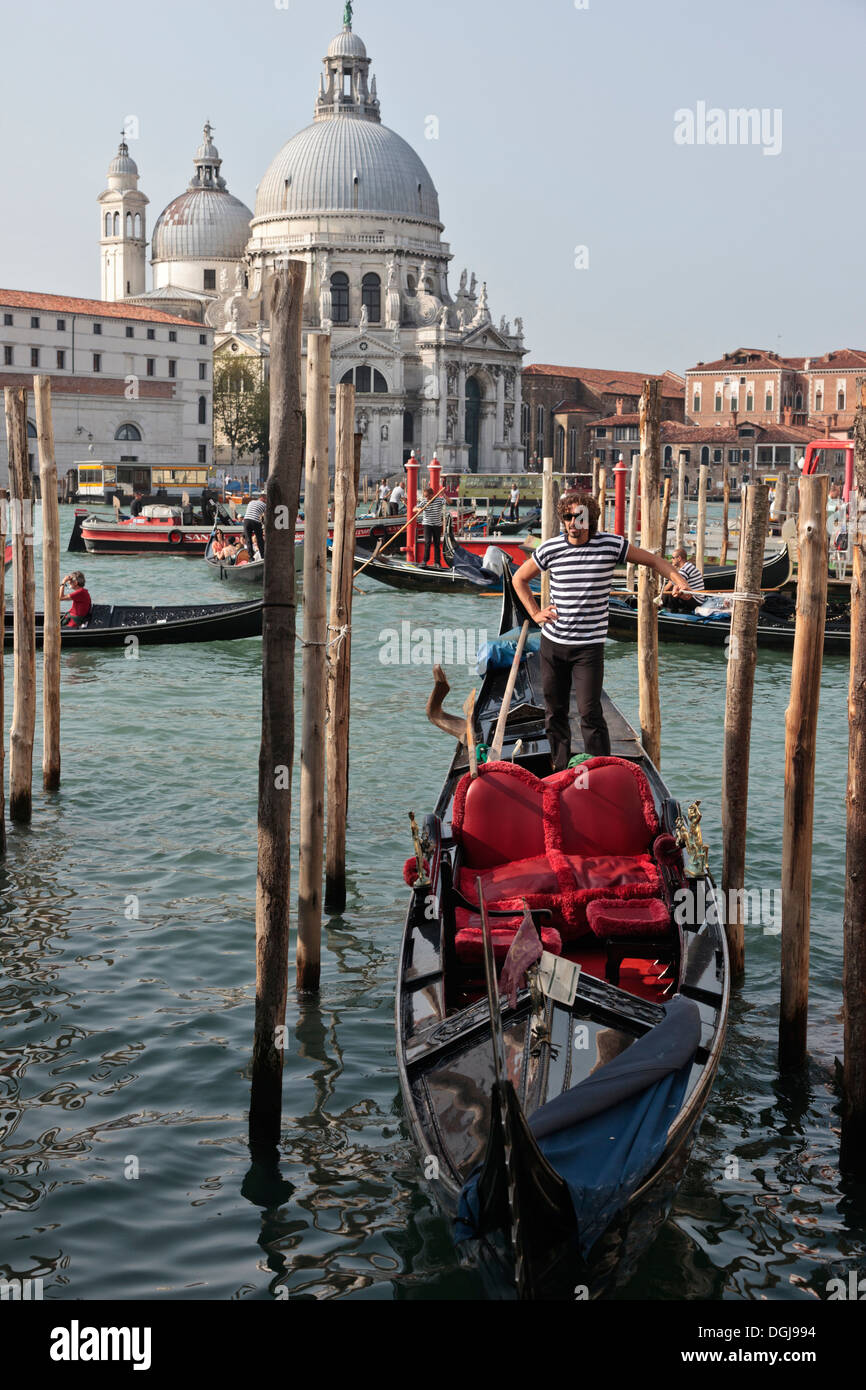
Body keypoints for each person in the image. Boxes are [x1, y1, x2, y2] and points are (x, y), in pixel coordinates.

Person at [513, 490, 691, 770]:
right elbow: (519, 579)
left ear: (590, 518)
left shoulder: (611, 545)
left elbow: (655, 561)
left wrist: (678, 580)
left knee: (589, 711)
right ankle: (560, 768)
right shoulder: (550, 548)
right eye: (568, 516)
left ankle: (600, 771)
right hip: (553, 645)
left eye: (579, 517)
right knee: (554, 711)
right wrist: (536, 613)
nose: (573, 522)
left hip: (588, 648)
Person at [661, 548, 704, 613]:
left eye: (673, 558)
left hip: (696, 601)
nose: (671, 560)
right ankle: (665, 608)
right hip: (695, 599)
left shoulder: (686, 569)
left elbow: (669, 585)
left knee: (672, 590)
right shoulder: (687, 566)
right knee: (673, 590)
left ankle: (668, 610)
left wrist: (658, 594)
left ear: (679, 558)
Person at [419, 485, 445, 568]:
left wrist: (444, 495)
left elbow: (450, 502)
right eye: (425, 496)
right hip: (427, 524)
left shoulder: (439, 500)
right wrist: (418, 509)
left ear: (432, 495)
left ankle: (437, 562)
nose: (426, 498)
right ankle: (425, 561)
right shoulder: (424, 502)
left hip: (437, 524)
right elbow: (414, 508)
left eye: (427, 496)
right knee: (427, 542)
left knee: (437, 544)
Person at [244, 494, 266, 560]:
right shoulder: (264, 505)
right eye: (266, 500)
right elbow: (266, 516)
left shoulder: (251, 502)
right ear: (262, 498)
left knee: (248, 539)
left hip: (246, 520)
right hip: (255, 521)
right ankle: (263, 556)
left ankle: (251, 557)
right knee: (259, 539)